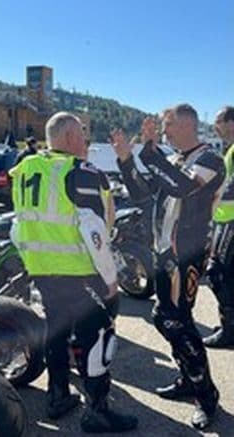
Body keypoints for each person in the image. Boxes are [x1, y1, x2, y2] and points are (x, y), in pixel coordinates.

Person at [11, 111, 136, 433]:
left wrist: (33, 261)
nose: (86, 140)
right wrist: (110, 279)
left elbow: (18, 225)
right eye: (82, 133)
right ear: (69, 138)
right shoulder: (81, 172)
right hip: (81, 272)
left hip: (42, 270)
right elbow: (94, 232)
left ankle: (57, 396)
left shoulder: (25, 168)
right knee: (97, 339)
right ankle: (97, 411)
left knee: (56, 333)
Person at [111, 104, 223, 429]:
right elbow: (144, 198)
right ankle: (188, 378)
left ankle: (206, 395)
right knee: (163, 317)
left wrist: (149, 151)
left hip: (187, 254)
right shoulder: (174, 160)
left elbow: (183, 187)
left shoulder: (209, 160)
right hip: (163, 252)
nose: (163, 130)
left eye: (167, 124)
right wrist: (126, 158)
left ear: (187, 124)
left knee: (178, 323)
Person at [205, 106, 234, 348]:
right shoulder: (230, 149)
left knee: (218, 275)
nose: (215, 127)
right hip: (224, 220)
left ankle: (230, 330)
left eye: (218, 121)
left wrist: (206, 197)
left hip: (232, 222)